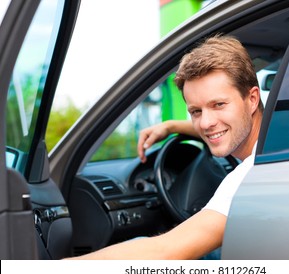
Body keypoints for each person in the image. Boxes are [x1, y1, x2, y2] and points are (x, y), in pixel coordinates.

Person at [67, 34, 263, 260]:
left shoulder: (254, 172)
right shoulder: (286, 130)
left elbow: (165, 251)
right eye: (196, 111)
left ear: (252, 99)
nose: (206, 123)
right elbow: (220, 124)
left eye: (218, 104)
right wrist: (171, 126)